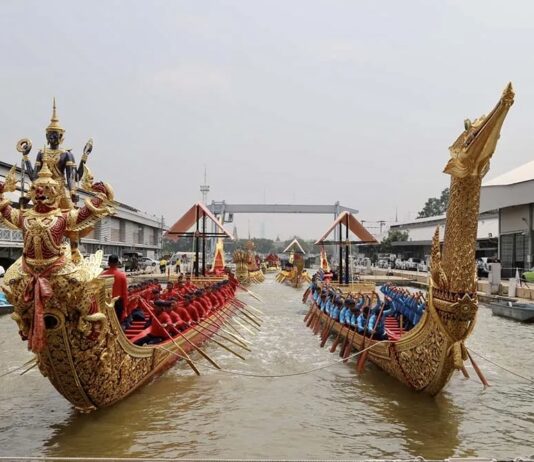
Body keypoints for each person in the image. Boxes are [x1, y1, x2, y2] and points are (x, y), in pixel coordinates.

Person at [102, 255, 129, 323]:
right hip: (118, 303)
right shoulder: (122, 276)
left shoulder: (102, 276)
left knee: (107, 323)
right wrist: (125, 308)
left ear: (108, 263)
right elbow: (125, 293)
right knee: (117, 324)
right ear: (117, 263)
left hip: (105, 303)